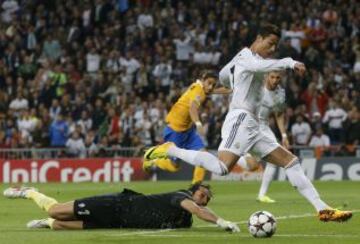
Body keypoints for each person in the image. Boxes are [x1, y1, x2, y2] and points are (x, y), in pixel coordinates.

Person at [144, 24, 352, 222]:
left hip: (254, 125)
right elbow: (256, 66)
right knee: (222, 168)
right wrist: (290, 62)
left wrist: (229, 84)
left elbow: (224, 73)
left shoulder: (240, 58)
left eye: (275, 46)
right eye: (269, 43)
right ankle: (171, 149)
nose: (272, 49)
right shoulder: (247, 57)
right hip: (241, 119)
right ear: (258, 39)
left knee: (290, 161)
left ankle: (322, 209)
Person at [3, 184, 239, 232]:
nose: (203, 199)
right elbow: (196, 210)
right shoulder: (181, 196)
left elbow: (192, 216)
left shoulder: (183, 219)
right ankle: (30, 192)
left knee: (60, 225)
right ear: (194, 190)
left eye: (207, 198)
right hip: (114, 205)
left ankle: (45, 224)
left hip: (117, 222)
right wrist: (220, 222)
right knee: (55, 210)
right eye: (202, 194)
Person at [143, 70, 230, 184]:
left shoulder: (202, 88)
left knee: (203, 155)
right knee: (175, 166)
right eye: (209, 83)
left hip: (188, 131)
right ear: (203, 79)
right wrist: (198, 123)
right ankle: (153, 161)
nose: (210, 87)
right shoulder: (198, 90)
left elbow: (217, 91)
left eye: (213, 84)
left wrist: (238, 87)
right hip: (175, 130)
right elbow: (192, 108)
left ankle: (195, 187)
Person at [237, 71, 289, 203]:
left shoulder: (280, 94)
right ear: (266, 76)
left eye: (278, 77)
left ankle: (262, 195)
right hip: (249, 124)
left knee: (266, 162)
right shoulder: (256, 87)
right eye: (272, 77)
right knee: (258, 164)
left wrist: (284, 135)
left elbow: (279, 114)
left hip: (264, 127)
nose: (275, 80)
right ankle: (232, 155)